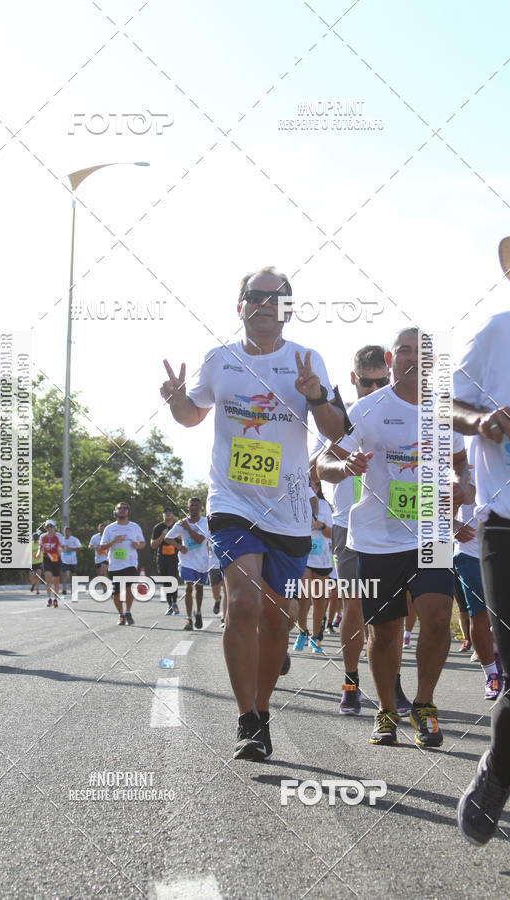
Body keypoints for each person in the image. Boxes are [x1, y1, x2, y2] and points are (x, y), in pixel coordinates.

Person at [161, 265, 343, 760]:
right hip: (232, 504)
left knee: (276, 620)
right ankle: (247, 719)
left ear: (288, 308)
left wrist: (316, 397)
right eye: (255, 296)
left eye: (276, 297)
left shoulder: (307, 360)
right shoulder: (219, 360)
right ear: (239, 305)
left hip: (287, 509)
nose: (265, 304)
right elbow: (192, 415)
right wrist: (177, 400)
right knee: (241, 601)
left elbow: (336, 430)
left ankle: (263, 709)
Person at [317, 327, 467, 746]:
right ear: (391, 357)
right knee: (384, 633)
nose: (412, 361)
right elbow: (324, 461)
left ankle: (423, 704)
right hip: (378, 539)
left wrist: (462, 486)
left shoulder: (444, 412)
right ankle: (385, 708)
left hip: (431, 531)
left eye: (422, 356)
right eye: (404, 352)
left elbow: (461, 463)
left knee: (438, 615)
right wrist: (345, 469)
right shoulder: (368, 409)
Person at [455, 231, 510, 846]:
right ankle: (496, 773)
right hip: (508, 528)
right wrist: (480, 420)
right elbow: (441, 403)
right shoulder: (501, 333)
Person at [309, 344, 392, 716]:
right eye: (367, 383)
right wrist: (341, 447)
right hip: (347, 525)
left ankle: (393, 687)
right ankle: (351, 683)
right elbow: (314, 467)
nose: (375, 390)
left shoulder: (399, 409)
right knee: (354, 607)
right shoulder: (336, 416)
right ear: (353, 379)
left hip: (394, 525)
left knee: (391, 613)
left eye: (382, 382)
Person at [453, 436, 502, 699]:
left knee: (508, 615)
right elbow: (438, 501)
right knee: (479, 615)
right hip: (470, 553)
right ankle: (491, 673)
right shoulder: (465, 448)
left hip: (506, 550)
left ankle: (499, 653)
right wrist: (453, 526)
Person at [294, 482, 333, 654]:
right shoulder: (298, 502)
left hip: (322, 558)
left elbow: (331, 533)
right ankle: (302, 631)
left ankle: (316, 637)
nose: (310, 489)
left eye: (312, 486)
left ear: (317, 488)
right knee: (304, 595)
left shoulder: (325, 506)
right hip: (305, 554)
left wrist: (320, 525)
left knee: (319, 599)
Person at [164, 498, 210, 630]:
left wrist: (188, 528)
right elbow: (168, 537)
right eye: (192, 505)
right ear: (187, 507)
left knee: (199, 589)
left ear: (201, 508)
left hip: (201, 561)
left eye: (197, 505)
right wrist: (179, 546)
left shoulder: (204, 522)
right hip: (186, 561)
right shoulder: (181, 523)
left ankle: (199, 612)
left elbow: (200, 539)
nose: (194, 507)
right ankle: (189, 619)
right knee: (188, 587)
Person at [99, 502, 145, 625]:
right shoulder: (109, 528)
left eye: (125, 508)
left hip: (130, 563)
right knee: (116, 594)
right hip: (114, 564)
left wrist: (138, 545)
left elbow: (143, 543)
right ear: (115, 512)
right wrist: (113, 541)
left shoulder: (135, 527)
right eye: (120, 508)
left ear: (128, 512)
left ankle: (128, 611)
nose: (122, 510)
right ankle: (121, 614)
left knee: (129, 587)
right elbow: (101, 547)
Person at [150, 507, 180, 614]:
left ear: (173, 514)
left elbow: (183, 540)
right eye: (165, 512)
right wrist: (163, 536)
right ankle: (169, 605)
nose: (168, 514)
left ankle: (175, 603)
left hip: (175, 558)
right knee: (166, 581)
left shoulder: (177, 526)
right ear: (163, 515)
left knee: (173, 580)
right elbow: (153, 545)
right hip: (162, 558)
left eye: (170, 512)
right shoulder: (158, 527)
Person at [40, 520, 65, 607]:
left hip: (56, 559)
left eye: (51, 526)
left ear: (54, 527)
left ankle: (55, 599)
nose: (49, 528)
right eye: (48, 527)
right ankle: (49, 598)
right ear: (46, 528)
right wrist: (40, 553)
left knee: (56, 581)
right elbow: (41, 547)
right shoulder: (42, 536)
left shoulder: (59, 536)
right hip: (47, 558)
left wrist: (60, 551)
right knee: (48, 579)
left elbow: (63, 546)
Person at [60, 526, 82, 595]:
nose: (67, 533)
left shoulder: (74, 539)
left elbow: (79, 547)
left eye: (68, 531)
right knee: (64, 574)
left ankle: (74, 587)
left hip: (72, 560)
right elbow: (58, 547)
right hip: (64, 560)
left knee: (73, 574)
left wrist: (71, 549)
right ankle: (64, 589)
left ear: (70, 532)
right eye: (65, 531)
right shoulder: (61, 539)